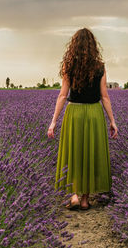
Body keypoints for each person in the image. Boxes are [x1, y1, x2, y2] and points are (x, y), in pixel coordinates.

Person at [47, 27, 118, 210]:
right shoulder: (99, 66)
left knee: (75, 153)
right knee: (90, 154)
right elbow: (105, 96)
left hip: (74, 113)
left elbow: (63, 95)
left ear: (74, 45)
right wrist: (112, 121)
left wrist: (54, 121)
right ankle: (86, 200)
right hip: (94, 113)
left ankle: (75, 195)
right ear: (94, 46)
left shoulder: (68, 65)